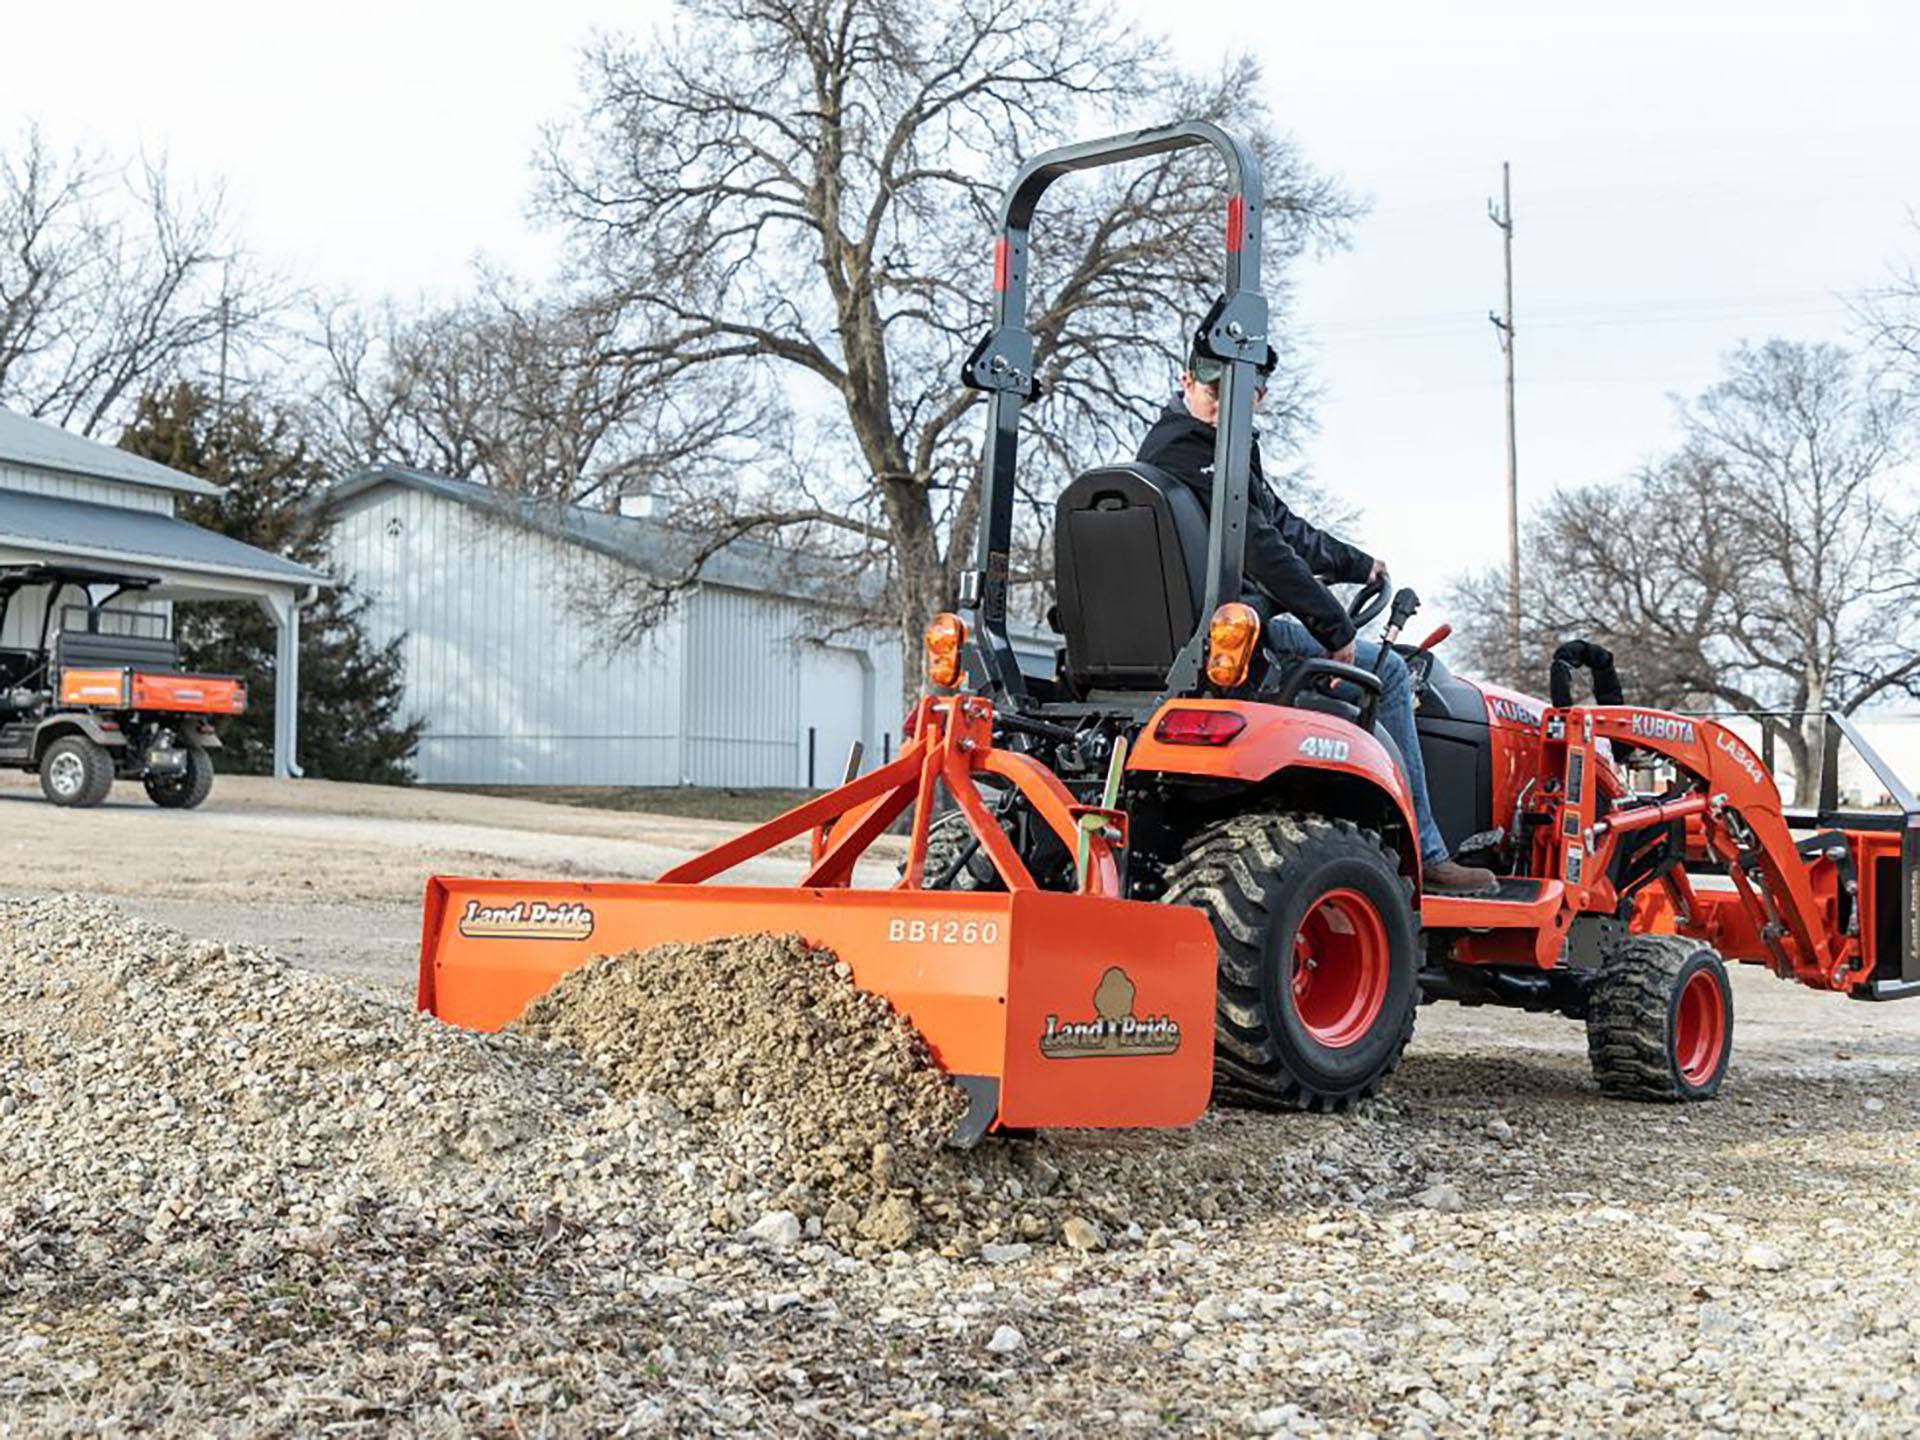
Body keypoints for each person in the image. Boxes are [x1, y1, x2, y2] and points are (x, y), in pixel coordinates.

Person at [1137, 342, 1498, 896]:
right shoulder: (1191, 453)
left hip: (1192, 635)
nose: (1223, 405)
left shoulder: (1198, 453)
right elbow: (1261, 548)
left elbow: (1281, 526)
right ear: (1187, 382)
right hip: (1225, 639)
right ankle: (1426, 853)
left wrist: (1357, 564)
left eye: (1237, 396)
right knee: (1393, 673)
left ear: (1258, 398)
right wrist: (1334, 626)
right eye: (1214, 392)